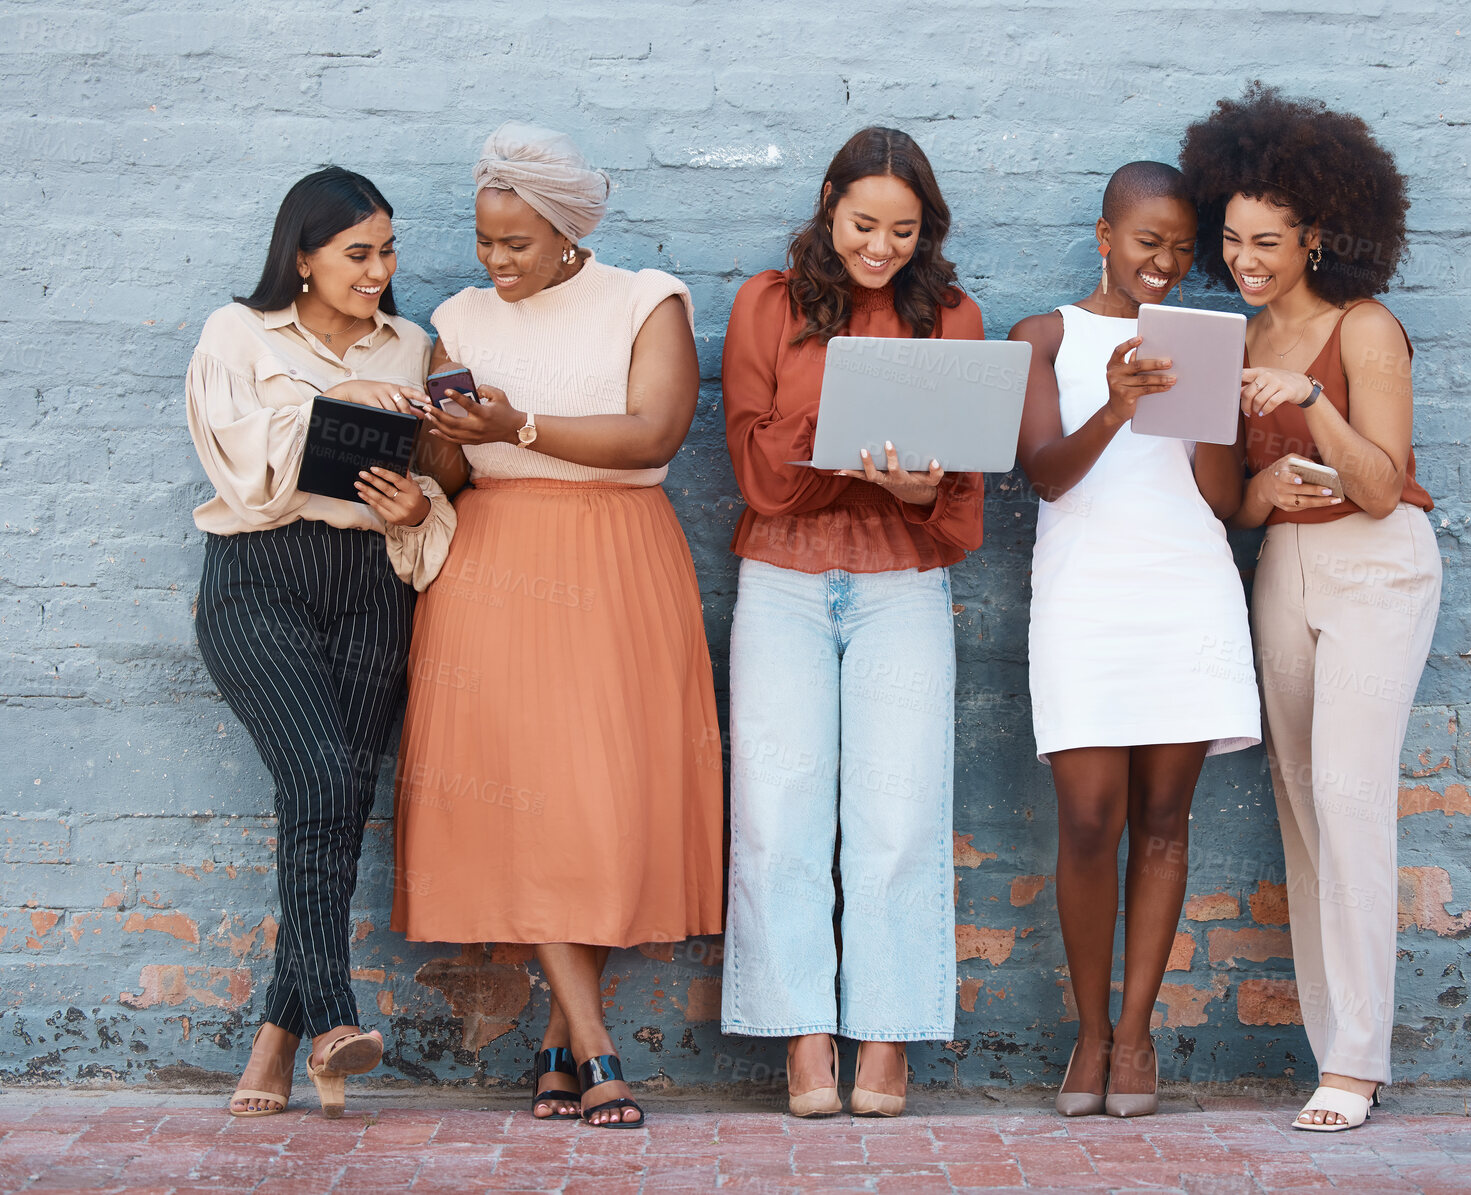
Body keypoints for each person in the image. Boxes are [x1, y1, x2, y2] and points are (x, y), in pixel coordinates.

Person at [390, 121, 723, 1129]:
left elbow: (652, 433)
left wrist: (514, 425)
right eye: (486, 240)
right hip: (491, 567)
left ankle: (551, 1042)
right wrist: (433, 443)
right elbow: (455, 470)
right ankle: (594, 1047)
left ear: (568, 233)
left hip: (618, 559)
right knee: (530, 806)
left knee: (604, 805)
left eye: (517, 244)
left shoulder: (643, 299)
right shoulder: (455, 317)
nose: (495, 261)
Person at [1180, 84, 1441, 1132]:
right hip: (1282, 566)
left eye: (1269, 241)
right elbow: (1235, 505)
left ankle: (1359, 1064)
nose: (1246, 260)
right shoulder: (1230, 345)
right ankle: (1330, 1050)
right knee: (1298, 809)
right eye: (1233, 239)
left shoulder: (1363, 327)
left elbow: (1380, 484)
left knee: (1346, 795)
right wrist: (1263, 492)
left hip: (1376, 564)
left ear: (1317, 235)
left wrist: (1312, 403)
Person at [719, 126, 983, 1118]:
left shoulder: (950, 314)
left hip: (901, 583)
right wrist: (829, 417)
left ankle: (886, 1038)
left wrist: (916, 487)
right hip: (781, 580)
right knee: (778, 812)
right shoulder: (767, 304)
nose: (880, 249)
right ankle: (804, 1037)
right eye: (863, 225)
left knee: (900, 812)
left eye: (902, 232)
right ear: (828, 205)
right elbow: (752, 467)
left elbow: (957, 500)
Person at [186, 167, 454, 1119]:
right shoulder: (237, 333)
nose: (379, 270)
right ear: (301, 258)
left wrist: (420, 503)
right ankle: (337, 1015)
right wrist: (350, 398)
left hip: (372, 580)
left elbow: (431, 484)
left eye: (387, 250)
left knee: (340, 807)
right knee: (320, 781)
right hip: (260, 575)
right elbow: (245, 469)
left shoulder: (413, 343)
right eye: (356, 253)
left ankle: (280, 1040)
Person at [1009, 162, 1259, 1118]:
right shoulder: (1045, 337)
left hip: (1184, 592)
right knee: (1086, 818)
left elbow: (1225, 504)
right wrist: (1116, 404)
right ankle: (1087, 1031)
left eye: (1183, 247)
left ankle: (1137, 1035)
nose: (1167, 261)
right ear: (1105, 234)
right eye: (1148, 240)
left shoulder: (1201, 342)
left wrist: (1205, 414)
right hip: (1084, 599)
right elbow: (1044, 476)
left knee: (1163, 820)